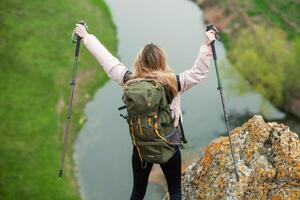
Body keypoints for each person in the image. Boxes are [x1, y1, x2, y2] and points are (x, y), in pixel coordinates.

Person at [74, 24, 215, 200]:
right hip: (169, 144)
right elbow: (198, 73)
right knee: (175, 192)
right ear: (162, 61)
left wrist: (86, 36)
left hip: (141, 147)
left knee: (138, 192)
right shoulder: (172, 83)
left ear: (140, 61)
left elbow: (107, 61)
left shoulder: (129, 81)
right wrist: (207, 46)